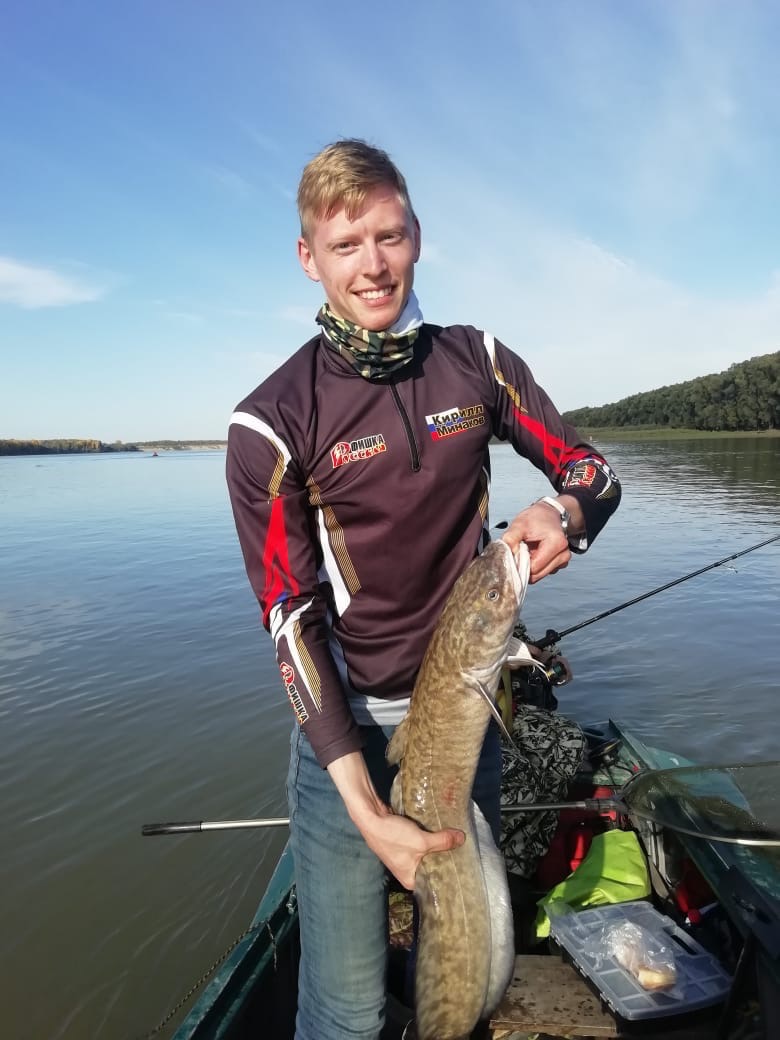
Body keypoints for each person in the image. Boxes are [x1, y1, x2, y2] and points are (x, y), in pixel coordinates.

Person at [226, 138, 621, 1040]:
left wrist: (564, 513)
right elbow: (289, 621)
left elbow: (591, 471)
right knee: (346, 1008)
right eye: (346, 244)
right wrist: (368, 810)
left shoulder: (476, 359)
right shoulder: (271, 420)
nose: (373, 265)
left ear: (416, 237)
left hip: (467, 718)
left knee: (475, 969)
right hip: (349, 738)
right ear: (309, 258)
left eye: (390, 236)